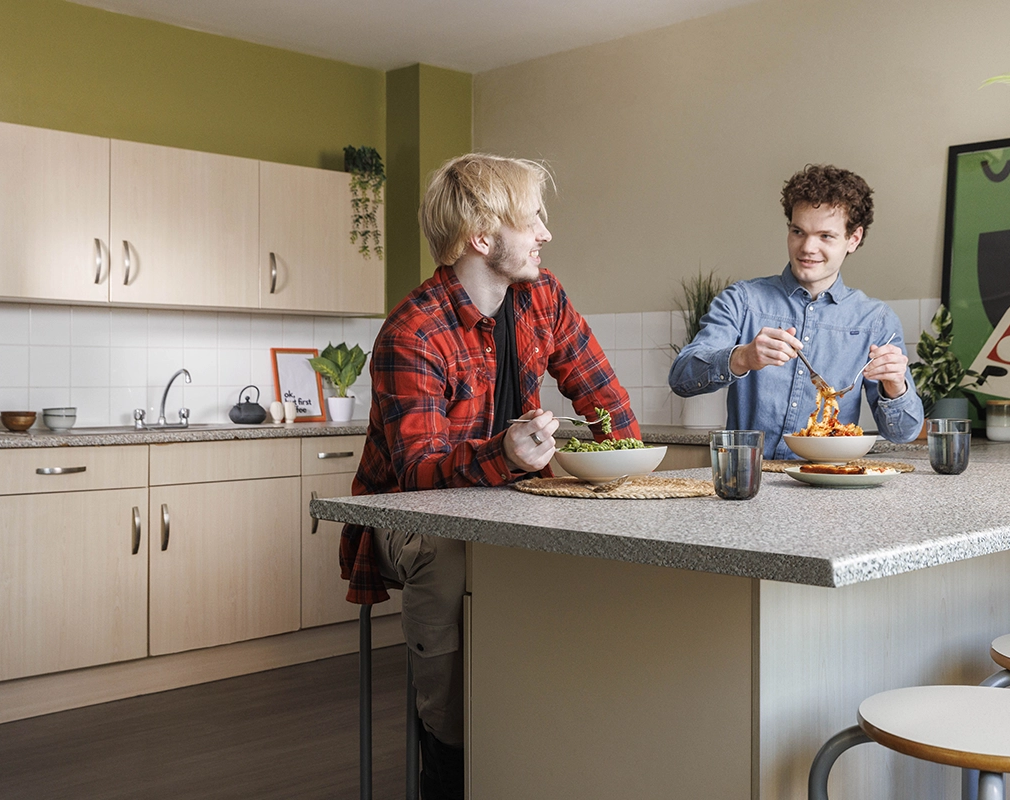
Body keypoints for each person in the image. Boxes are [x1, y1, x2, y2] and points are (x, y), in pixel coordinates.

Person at [339, 153, 640, 800]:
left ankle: (536, 740)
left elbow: (604, 397)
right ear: (482, 238)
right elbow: (419, 475)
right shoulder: (413, 331)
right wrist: (505, 453)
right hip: (414, 517)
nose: (545, 234)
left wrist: (622, 458)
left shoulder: (542, 296)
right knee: (448, 556)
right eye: (532, 219)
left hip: (509, 498)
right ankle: (448, 755)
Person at [669, 164, 923, 456]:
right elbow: (681, 379)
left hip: (826, 485)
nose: (807, 248)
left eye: (825, 236)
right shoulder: (742, 300)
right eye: (798, 231)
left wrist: (895, 386)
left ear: (853, 239)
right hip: (750, 482)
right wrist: (742, 357)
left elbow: (903, 434)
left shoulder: (876, 321)